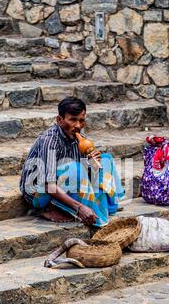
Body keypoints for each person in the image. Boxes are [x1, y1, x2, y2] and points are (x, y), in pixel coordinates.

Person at [20, 96, 125, 226]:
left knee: (105, 160)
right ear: (60, 120)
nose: (78, 126)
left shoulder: (78, 140)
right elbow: (48, 185)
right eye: (73, 120)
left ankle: (96, 205)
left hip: (65, 182)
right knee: (74, 168)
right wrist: (79, 208)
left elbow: (81, 175)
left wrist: (92, 166)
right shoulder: (49, 140)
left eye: (81, 121)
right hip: (39, 191)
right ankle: (46, 209)